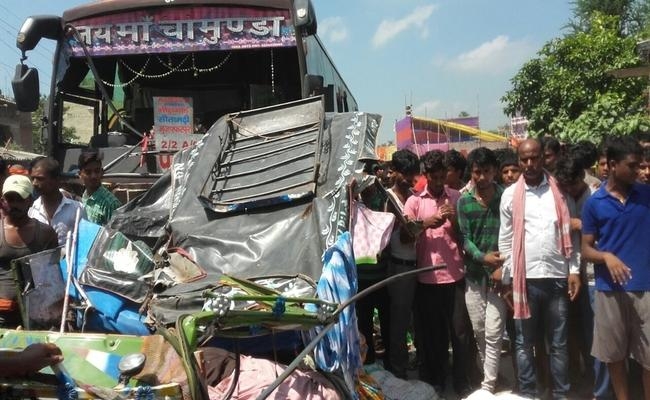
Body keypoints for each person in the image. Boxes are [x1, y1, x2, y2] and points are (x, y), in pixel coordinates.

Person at [498, 138, 581, 399]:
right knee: (524, 343)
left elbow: (572, 235)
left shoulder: (560, 190)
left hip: (557, 277)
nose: (530, 164)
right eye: (524, 159)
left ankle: (561, 394)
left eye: (535, 158)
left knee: (558, 344)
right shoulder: (510, 195)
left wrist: (574, 270)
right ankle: (528, 394)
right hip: (525, 281)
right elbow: (506, 239)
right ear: (519, 160)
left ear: (543, 157)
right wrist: (507, 279)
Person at [404, 150, 478, 397]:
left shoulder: (457, 198)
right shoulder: (414, 202)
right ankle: (436, 378)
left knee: (460, 332)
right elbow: (405, 236)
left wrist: (453, 220)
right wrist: (427, 223)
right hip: (426, 278)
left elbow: (466, 236)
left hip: (454, 275)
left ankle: (461, 380)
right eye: (433, 177)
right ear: (425, 175)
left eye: (441, 177)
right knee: (433, 334)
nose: (438, 182)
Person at [581, 136, 650, 400]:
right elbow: (586, 250)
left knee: (648, 359)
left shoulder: (646, 195)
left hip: (646, 288)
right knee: (614, 356)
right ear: (612, 165)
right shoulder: (594, 203)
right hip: (609, 290)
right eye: (632, 166)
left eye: (640, 165)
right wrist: (606, 257)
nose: (639, 171)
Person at [555, 155, 613, 399]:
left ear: (583, 177)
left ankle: (602, 390)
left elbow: (609, 237)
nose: (570, 189)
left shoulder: (597, 196)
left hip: (593, 276)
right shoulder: (561, 196)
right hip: (568, 272)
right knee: (577, 332)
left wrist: (582, 224)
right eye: (565, 185)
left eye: (573, 184)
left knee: (597, 335)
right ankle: (588, 379)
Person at [456, 147, 507, 394]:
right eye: (477, 172)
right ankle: (492, 376)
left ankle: (488, 384)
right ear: (472, 173)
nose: (482, 177)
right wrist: (482, 258)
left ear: (495, 171)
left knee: (495, 330)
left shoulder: (506, 198)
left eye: (487, 171)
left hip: (500, 275)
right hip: (475, 275)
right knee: (479, 329)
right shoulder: (464, 202)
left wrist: (500, 265)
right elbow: (464, 239)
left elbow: (514, 234)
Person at [0, 175, 58, 328]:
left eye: (20, 199)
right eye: (10, 199)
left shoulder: (46, 233)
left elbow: (54, 278)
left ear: (30, 200)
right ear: (3, 201)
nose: (15, 204)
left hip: (37, 316)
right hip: (2, 315)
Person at [383, 149, 420, 379]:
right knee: (399, 321)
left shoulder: (415, 196)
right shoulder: (387, 199)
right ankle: (399, 369)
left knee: (417, 319)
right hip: (399, 266)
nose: (409, 179)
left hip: (419, 265)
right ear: (394, 172)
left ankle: (417, 360)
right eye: (405, 174)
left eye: (412, 174)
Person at [28, 157, 86, 246]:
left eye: (40, 178)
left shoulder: (77, 209)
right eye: (33, 178)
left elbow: (85, 241)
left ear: (56, 179)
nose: (34, 183)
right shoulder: (33, 209)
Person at [78, 149, 121, 225]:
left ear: (102, 172)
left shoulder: (110, 204)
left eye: (97, 171)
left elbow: (117, 231)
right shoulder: (85, 196)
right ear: (80, 174)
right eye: (88, 172)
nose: (93, 176)